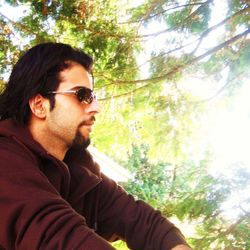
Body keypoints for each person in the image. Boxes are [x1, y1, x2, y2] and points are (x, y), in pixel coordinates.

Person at [0, 42, 191, 250]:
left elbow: (140, 221)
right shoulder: (5, 159)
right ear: (39, 105)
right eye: (82, 96)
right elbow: (56, 235)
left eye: (93, 97)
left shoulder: (81, 172)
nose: (96, 107)